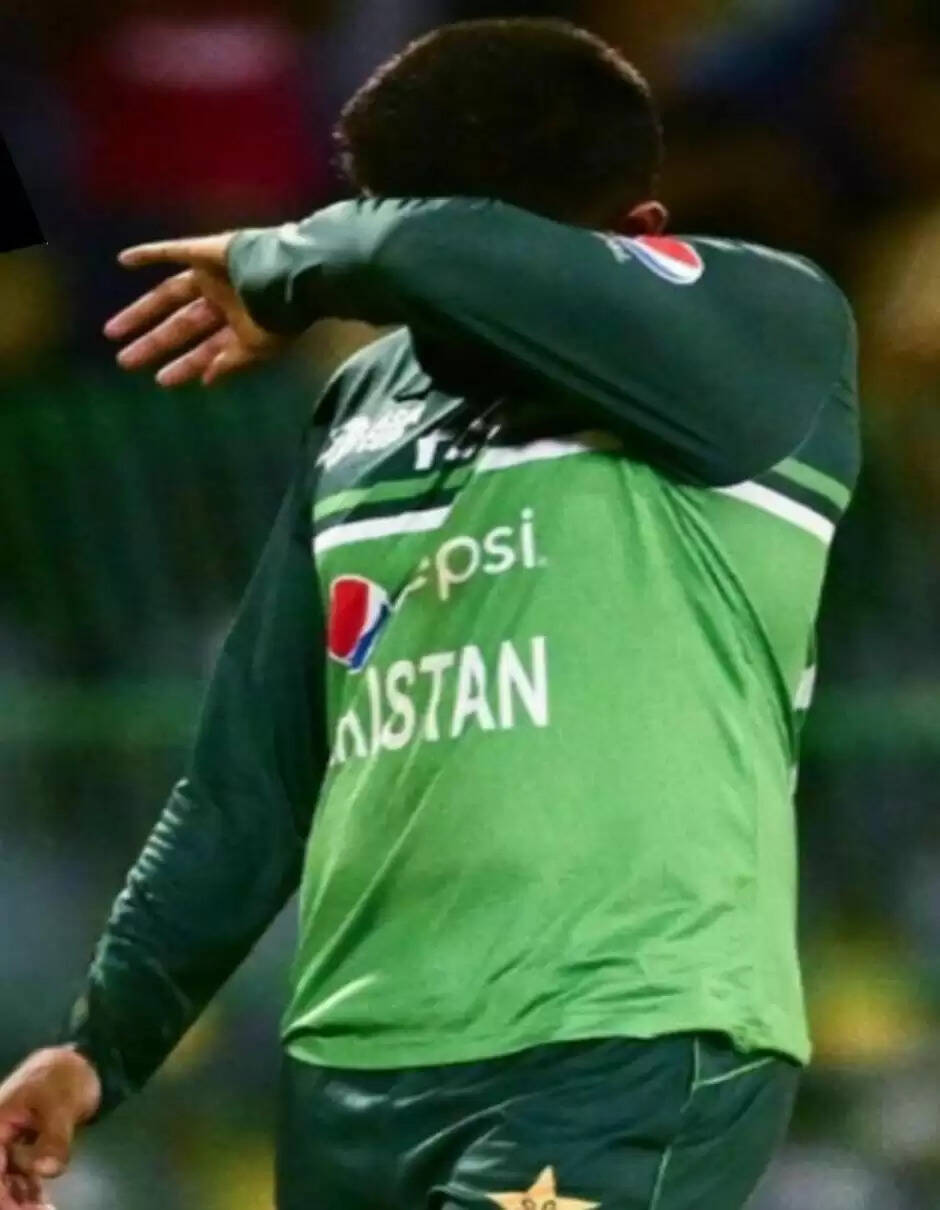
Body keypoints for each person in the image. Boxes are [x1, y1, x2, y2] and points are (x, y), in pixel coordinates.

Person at [0, 19, 861, 1210]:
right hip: (355, 1065)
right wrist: (102, 1042)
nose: (422, 312)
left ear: (634, 231)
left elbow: (436, 252)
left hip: (623, 1035)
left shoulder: (762, 325)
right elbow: (250, 776)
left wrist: (296, 254)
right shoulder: (363, 405)